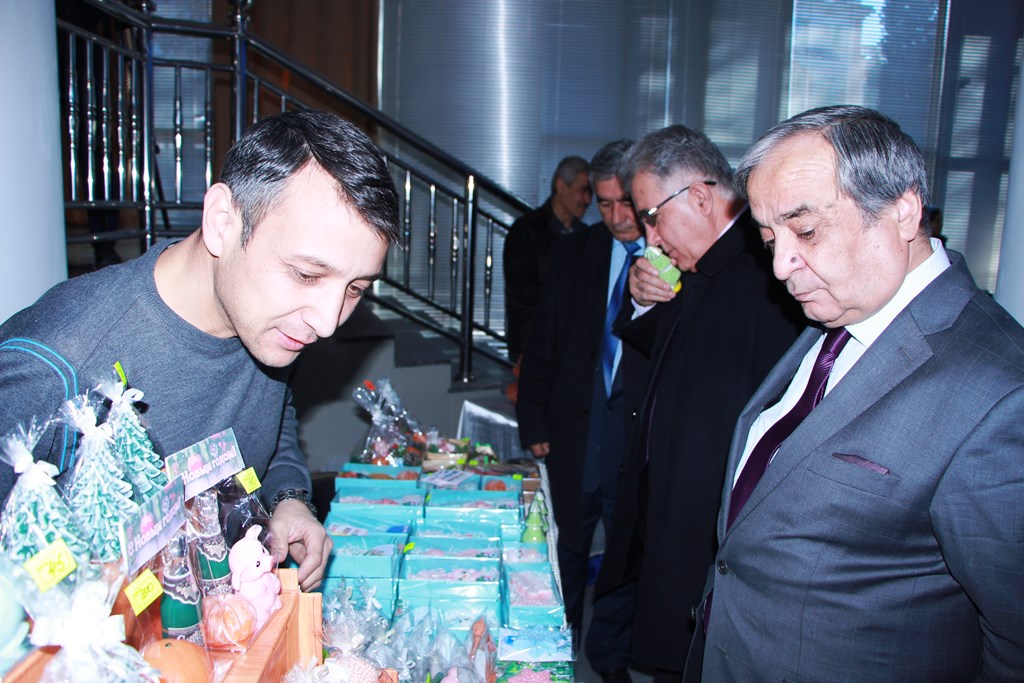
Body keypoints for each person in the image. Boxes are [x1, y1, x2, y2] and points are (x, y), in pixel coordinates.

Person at [0, 109, 401, 591]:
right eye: (306, 274)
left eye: (355, 288)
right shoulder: (56, 362)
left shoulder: (271, 325)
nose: (327, 323)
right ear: (221, 223)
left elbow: (273, 415)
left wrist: (289, 497)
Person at [693, 105, 1024, 681]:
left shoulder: (999, 392)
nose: (781, 265)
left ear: (902, 210)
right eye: (769, 239)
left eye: (805, 231)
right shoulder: (839, 315)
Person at [594, 125, 805, 683]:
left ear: (701, 197)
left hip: (713, 529)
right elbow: (671, 355)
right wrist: (642, 299)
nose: (650, 238)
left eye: (652, 217)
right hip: (668, 509)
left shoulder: (769, 273)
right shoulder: (698, 266)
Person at [516, 140, 645, 683]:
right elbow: (542, 340)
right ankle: (556, 650)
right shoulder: (576, 253)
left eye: (626, 204)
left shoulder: (675, 258)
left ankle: (610, 656)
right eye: (605, 204)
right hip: (575, 432)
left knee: (627, 555)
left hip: (635, 439)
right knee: (565, 547)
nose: (616, 218)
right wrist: (533, 417)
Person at [503, 155, 592, 361]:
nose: (588, 200)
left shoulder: (586, 235)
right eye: (583, 190)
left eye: (591, 193)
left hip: (573, 345)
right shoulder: (525, 231)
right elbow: (521, 290)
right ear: (561, 186)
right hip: (533, 345)